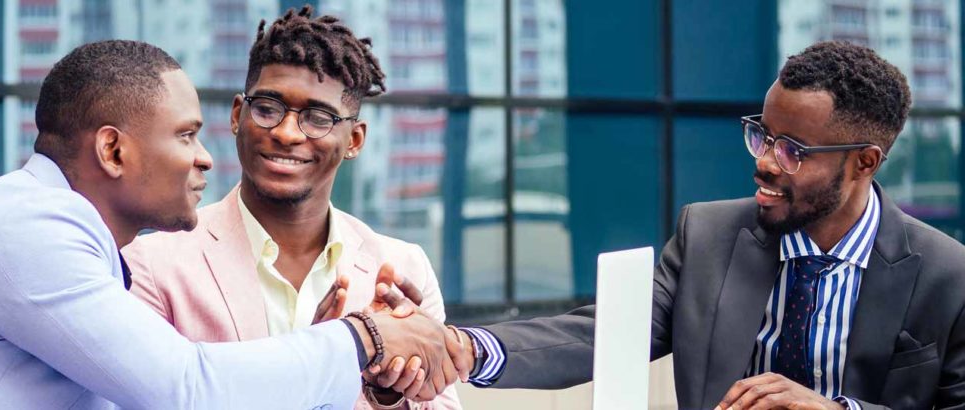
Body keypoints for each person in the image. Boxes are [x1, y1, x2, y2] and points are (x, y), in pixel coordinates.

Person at [389, 41, 965, 409]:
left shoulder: (948, 276)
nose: (763, 160)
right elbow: (600, 335)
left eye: (791, 149)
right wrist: (463, 346)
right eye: (761, 135)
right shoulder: (708, 237)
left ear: (864, 161)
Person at [0, 39, 459, 409]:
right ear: (113, 150)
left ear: (355, 139)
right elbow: (186, 389)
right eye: (186, 135)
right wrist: (362, 338)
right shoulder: (32, 231)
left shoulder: (57, 233)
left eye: (318, 118)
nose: (205, 158)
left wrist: (379, 387)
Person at [122, 6, 461, 409]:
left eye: (318, 118)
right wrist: (324, 359)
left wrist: (386, 392)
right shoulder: (149, 266)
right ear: (237, 115)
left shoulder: (404, 269)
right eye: (267, 108)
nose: (285, 133)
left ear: (354, 139)